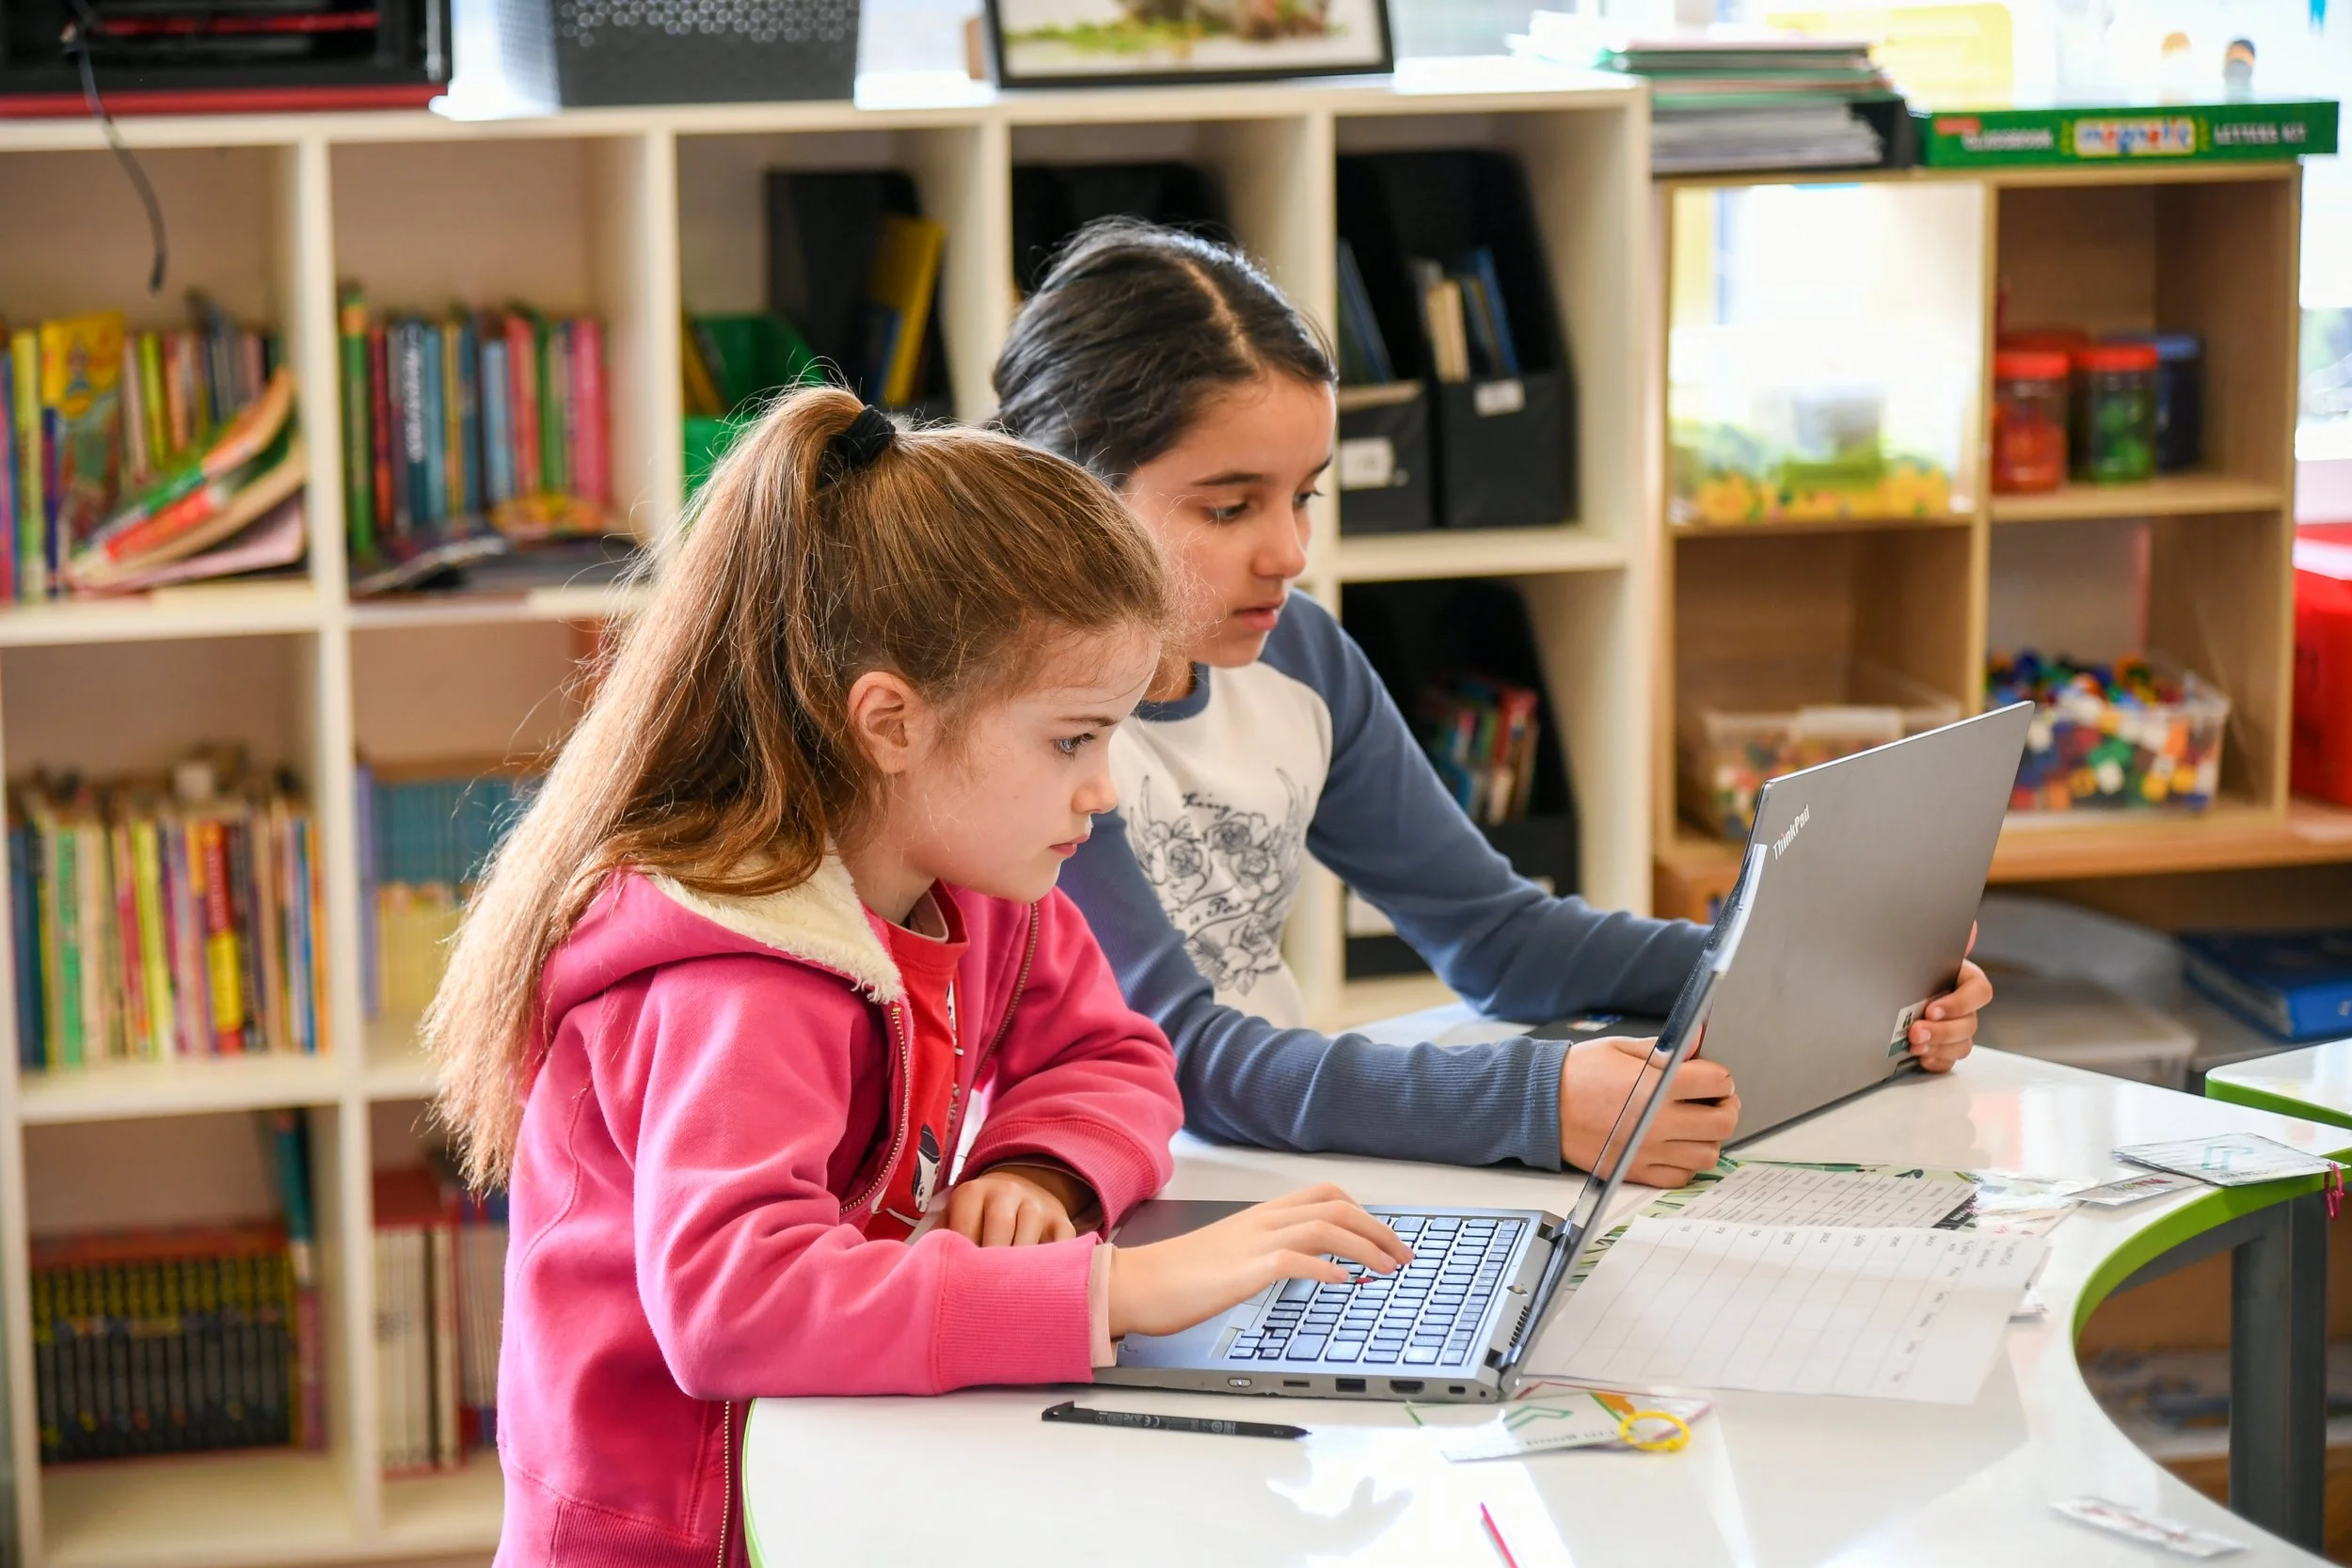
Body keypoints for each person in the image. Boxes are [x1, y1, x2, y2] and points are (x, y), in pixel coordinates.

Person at [426, 388, 1415, 1568]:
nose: (1102, 790)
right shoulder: (738, 977)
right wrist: (1116, 1291)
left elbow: (1114, 1053)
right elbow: (734, 1304)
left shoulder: (976, 883)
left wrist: (1038, 1166)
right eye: (1071, 738)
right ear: (889, 722)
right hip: (682, 1534)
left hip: (834, 1477)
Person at [993, 219, 1994, 1187]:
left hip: (1277, 1179)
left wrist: (1803, 971)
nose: (1290, 554)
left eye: (1305, 496)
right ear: (1070, 483)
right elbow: (1191, 1057)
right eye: (1228, 507)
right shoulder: (1033, 725)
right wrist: (1534, 1098)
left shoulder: (1296, 653)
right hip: (1135, 1190)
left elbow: (1495, 935)